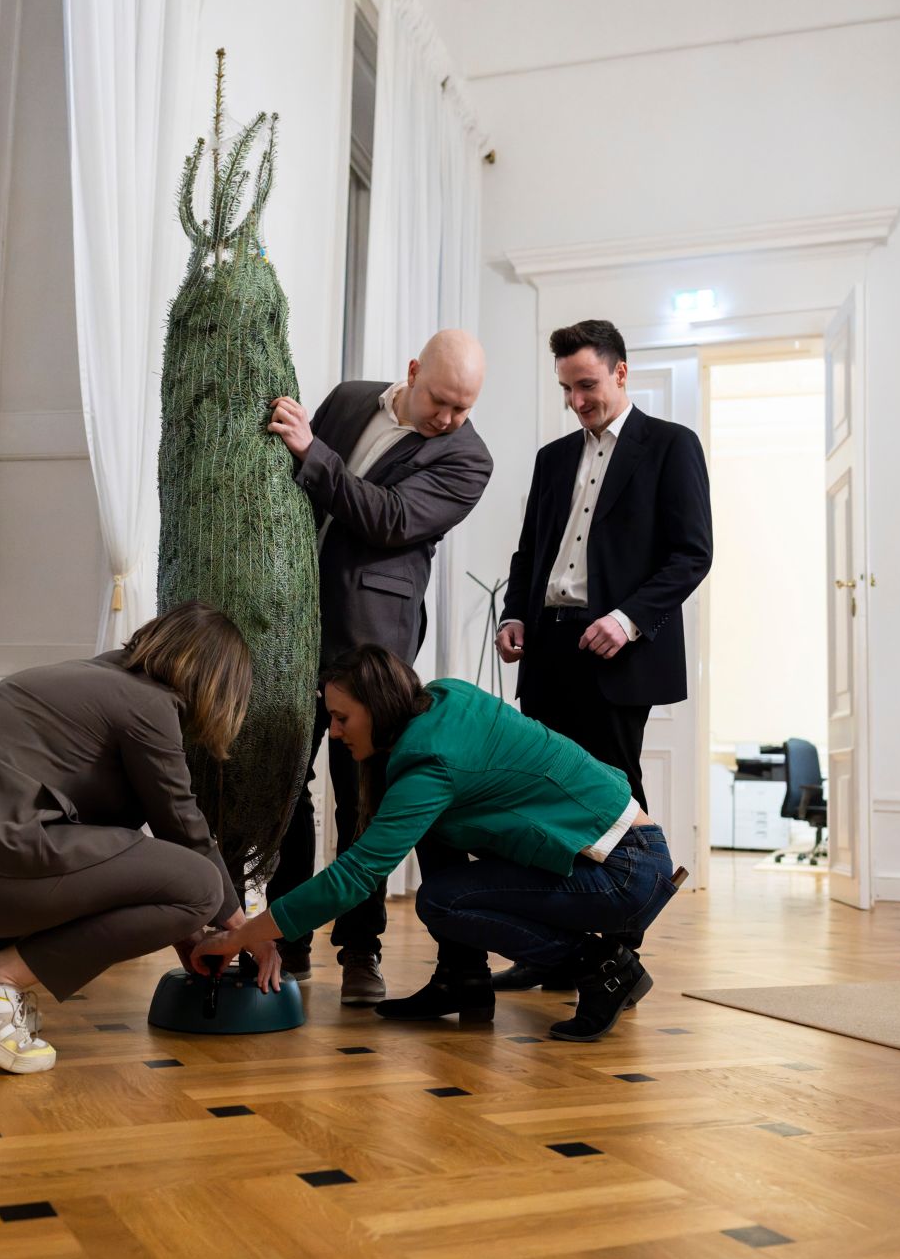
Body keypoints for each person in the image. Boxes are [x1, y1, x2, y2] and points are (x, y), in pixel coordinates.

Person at [0, 603, 280, 1077]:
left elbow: (102, 855)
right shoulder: (149, 705)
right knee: (201, 884)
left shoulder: (82, 681)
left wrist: (183, 926)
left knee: (125, 868)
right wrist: (244, 931)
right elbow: (186, 831)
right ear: (219, 682)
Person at [193, 646, 680, 1040]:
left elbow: (356, 875)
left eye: (342, 718)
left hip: (624, 874)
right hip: (635, 857)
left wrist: (242, 935)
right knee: (436, 831)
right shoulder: (443, 699)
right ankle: (461, 979)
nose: (334, 732)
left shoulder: (428, 764)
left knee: (445, 900)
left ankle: (602, 968)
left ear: (378, 707)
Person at [265, 329, 492, 1005]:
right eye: (441, 400)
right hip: (289, 622)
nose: (448, 418)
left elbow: (389, 519)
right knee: (282, 789)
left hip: (373, 643)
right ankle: (286, 944)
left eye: (463, 406)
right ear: (413, 371)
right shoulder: (349, 399)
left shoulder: (467, 460)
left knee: (363, 800)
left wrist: (311, 450)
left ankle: (359, 952)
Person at [492, 318, 711, 993]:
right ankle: (554, 946)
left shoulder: (671, 446)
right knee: (544, 798)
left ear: (621, 372)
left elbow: (691, 554)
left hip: (617, 649)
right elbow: (531, 550)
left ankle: (617, 951)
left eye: (586, 385)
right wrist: (514, 612)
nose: (576, 401)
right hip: (549, 646)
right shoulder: (552, 458)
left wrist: (627, 620)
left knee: (613, 797)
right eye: (566, 389)